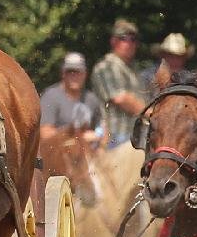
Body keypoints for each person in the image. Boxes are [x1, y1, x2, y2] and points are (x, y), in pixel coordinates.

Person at [90, 19, 148, 149]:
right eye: (124, 38)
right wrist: (150, 113)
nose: (130, 43)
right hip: (115, 136)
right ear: (114, 41)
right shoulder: (105, 66)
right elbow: (120, 98)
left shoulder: (134, 69)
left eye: (134, 39)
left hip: (137, 135)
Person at [39, 52, 103, 143]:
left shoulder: (91, 99)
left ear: (85, 74)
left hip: (87, 153)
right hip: (58, 152)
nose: (74, 76)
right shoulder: (50, 97)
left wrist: (99, 137)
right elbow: (45, 134)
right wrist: (77, 137)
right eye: (70, 72)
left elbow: (102, 127)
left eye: (78, 72)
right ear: (63, 74)